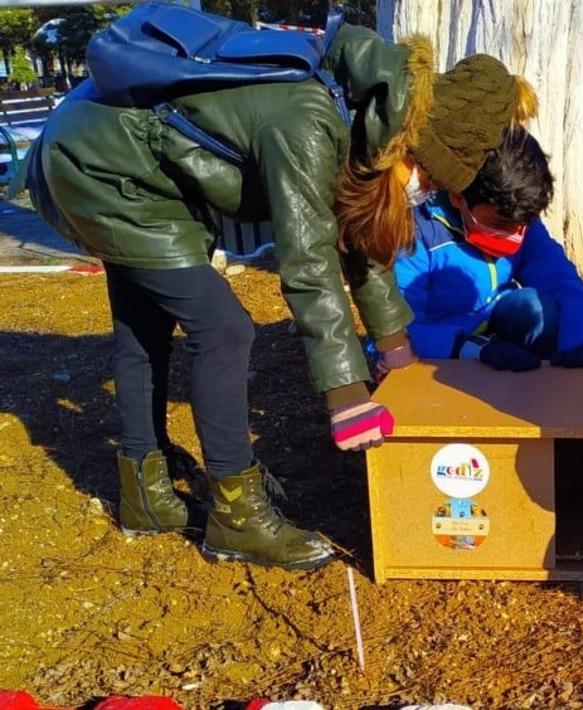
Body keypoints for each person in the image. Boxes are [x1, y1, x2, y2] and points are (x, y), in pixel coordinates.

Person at [16, 22, 537, 570]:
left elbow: (359, 240)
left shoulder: (362, 115)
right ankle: (237, 515)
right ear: (412, 141)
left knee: (145, 323)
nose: (423, 192)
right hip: (103, 168)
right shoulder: (310, 122)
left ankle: (146, 495)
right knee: (224, 329)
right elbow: (307, 260)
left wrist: (395, 345)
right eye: (428, 178)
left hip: (115, 156)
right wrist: (346, 395)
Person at [390, 127, 583, 371]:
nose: (513, 236)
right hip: (441, 347)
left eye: (522, 225)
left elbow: (560, 279)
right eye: (499, 225)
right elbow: (399, 329)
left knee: (536, 309)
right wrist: (471, 347)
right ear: (457, 196)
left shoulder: (516, 214)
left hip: (497, 325)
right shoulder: (416, 230)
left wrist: (582, 342)